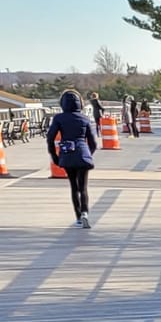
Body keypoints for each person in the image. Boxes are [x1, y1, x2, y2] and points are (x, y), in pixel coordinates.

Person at [47, 90, 99, 230]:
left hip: (67, 154)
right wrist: (88, 154)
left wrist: (55, 156)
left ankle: (78, 218)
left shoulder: (59, 118)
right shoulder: (84, 119)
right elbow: (93, 143)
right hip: (83, 154)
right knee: (83, 187)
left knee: (74, 187)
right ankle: (85, 213)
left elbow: (50, 138)